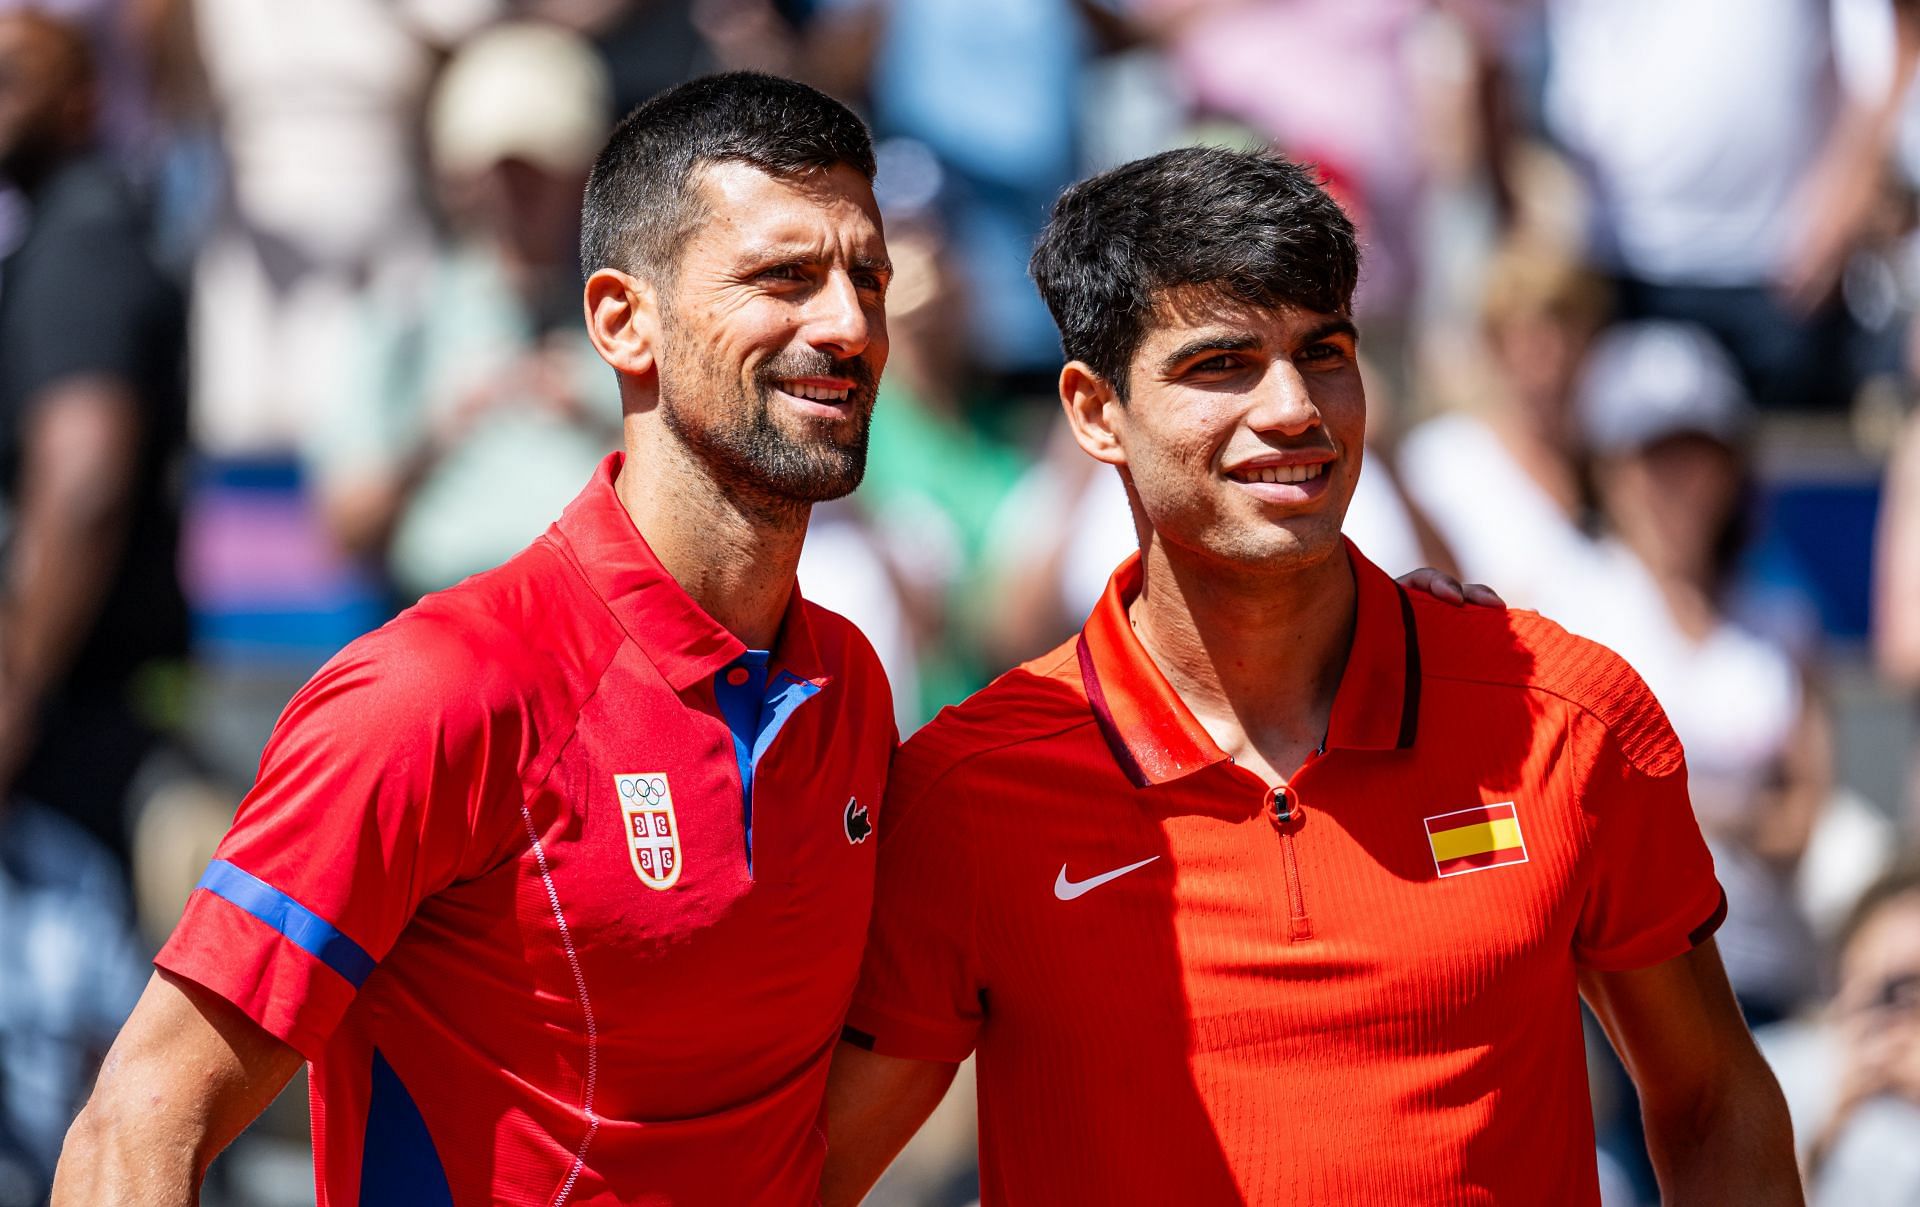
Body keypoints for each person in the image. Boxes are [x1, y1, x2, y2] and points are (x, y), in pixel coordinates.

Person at [822, 146, 1799, 1205]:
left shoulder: (1565, 715)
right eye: (1222, 363)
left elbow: (1714, 1103)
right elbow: (811, 1173)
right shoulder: (970, 794)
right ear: (1095, 412)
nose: (1294, 406)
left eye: (1324, 351)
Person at [54, 72, 899, 1204]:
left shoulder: (847, 683)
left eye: (868, 279)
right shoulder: (441, 689)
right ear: (620, 319)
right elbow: (135, 1128)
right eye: (784, 278)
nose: (847, 324)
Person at [0, 10, 189, 864]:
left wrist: (14, 684)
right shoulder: (57, 229)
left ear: (82, 103)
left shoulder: (83, 232)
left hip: (80, 730)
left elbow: (84, 479)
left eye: (10, 78)